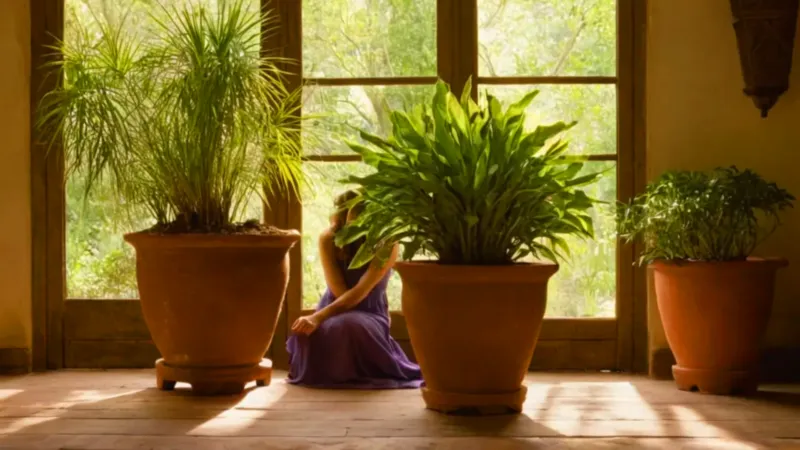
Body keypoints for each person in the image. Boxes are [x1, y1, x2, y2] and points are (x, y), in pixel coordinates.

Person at [285, 190, 423, 389]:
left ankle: (350, 373)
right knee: (306, 331)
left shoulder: (387, 242)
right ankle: (328, 374)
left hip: (369, 310)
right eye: (349, 214)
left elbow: (361, 291)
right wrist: (316, 319)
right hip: (335, 304)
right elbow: (339, 291)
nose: (355, 221)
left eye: (361, 214)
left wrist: (317, 317)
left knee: (347, 326)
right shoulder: (329, 238)